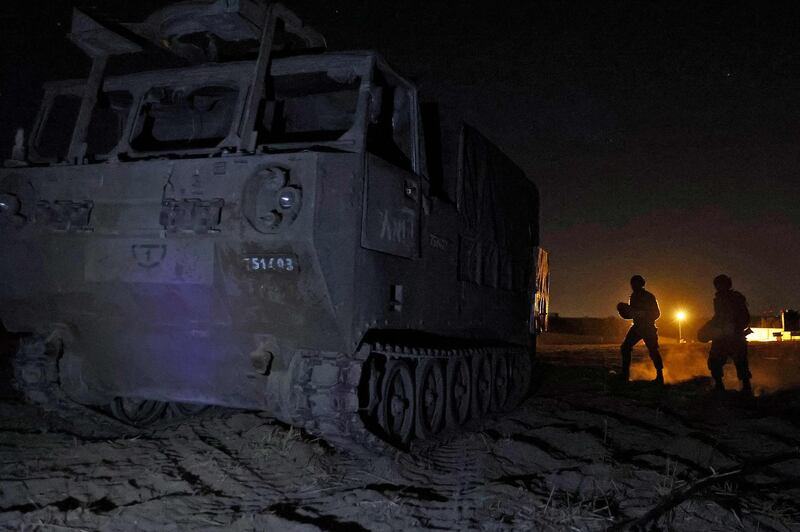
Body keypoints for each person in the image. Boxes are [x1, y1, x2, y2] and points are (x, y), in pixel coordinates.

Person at [707, 274, 752, 393]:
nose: (719, 287)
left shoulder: (736, 298)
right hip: (722, 336)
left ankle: (746, 388)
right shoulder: (718, 299)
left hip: (735, 336)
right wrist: (708, 327)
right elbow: (718, 317)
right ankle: (719, 385)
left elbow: (745, 317)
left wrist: (736, 329)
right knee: (714, 361)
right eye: (717, 285)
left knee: (741, 362)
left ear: (728, 285)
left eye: (722, 284)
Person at [619, 275, 664, 383]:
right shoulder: (633, 296)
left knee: (653, 351)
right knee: (625, 348)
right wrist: (624, 312)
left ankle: (660, 376)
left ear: (641, 284)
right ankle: (625, 375)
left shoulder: (649, 297)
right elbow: (632, 314)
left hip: (648, 327)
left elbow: (656, 313)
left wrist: (644, 314)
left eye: (635, 283)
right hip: (637, 327)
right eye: (632, 284)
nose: (633, 286)